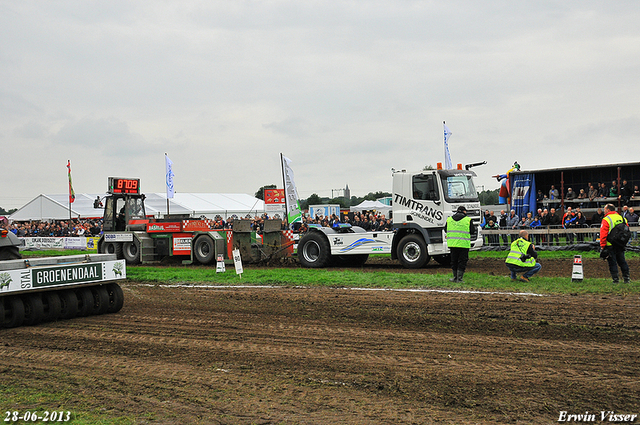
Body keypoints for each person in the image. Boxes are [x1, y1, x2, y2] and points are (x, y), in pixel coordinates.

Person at [599, 204, 630, 283]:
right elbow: (626, 231)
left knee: (612, 263)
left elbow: (603, 234)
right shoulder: (622, 218)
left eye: (605, 209)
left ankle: (615, 280)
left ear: (608, 210)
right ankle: (626, 278)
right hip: (620, 244)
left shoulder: (606, 219)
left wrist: (602, 246)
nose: (604, 211)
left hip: (610, 244)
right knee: (622, 261)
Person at [445, 206, 476, 283]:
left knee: (454, 261)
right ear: (464, 211)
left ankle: (455, 277)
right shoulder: (467, 220)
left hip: (452, 244)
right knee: (462, 261)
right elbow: (472, 231)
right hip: (463, 244)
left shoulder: (449, 219)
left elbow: (445, 229)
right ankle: (459, 278)